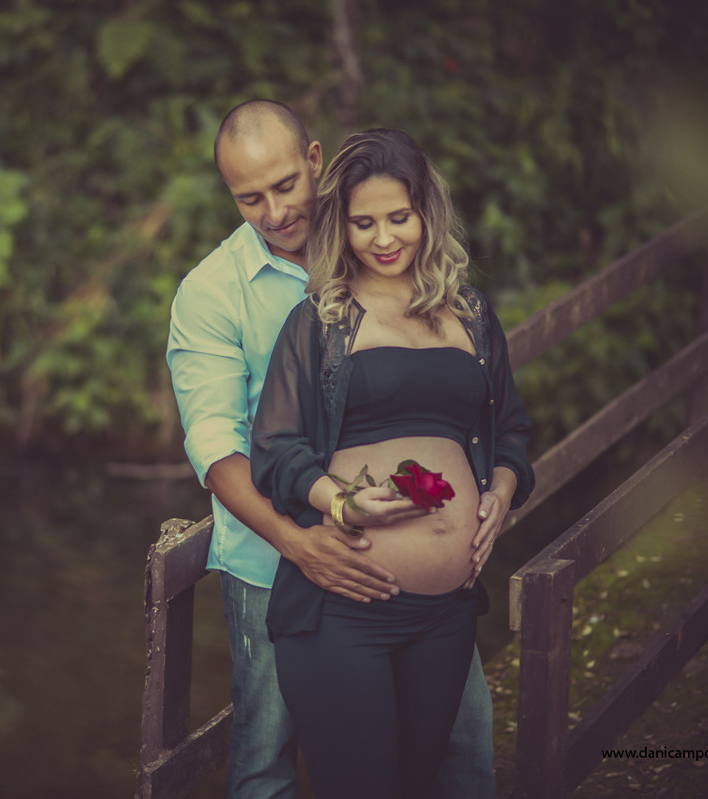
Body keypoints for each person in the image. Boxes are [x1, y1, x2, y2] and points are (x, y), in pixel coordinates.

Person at [167, 101, 508, 798]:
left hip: (425, 592)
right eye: (249, 197)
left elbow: (472, 402)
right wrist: (298, 541)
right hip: (271, 562)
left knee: (463, 746)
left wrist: (493, 488)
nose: (274, 210)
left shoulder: (374, 229)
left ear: (315, 160)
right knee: (267, 756)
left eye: (286, 184)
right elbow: (218, 447)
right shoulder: (211, 292)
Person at [248, 127, 535, 797]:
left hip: (446, 613)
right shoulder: (320, 322)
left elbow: (512, 428)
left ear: (426, 214)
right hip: (344, 608)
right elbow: (276, 451)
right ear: (341, 228)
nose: (383, 239)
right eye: (363, 223)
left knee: (415, 784)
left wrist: (499, 491)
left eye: (398, 218)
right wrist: (340, 501)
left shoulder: (471, 315)